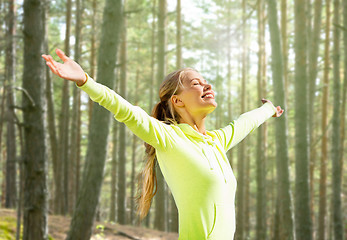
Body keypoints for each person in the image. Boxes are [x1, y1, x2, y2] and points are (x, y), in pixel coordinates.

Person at [42, 48, 283, 240]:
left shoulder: (216, 142)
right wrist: (85, 80)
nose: (207, 85)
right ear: (177, 100)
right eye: (196, 83)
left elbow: (245, 122)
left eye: (206, 81)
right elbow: (125, 110)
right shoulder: (168, 138)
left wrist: (268, 108)